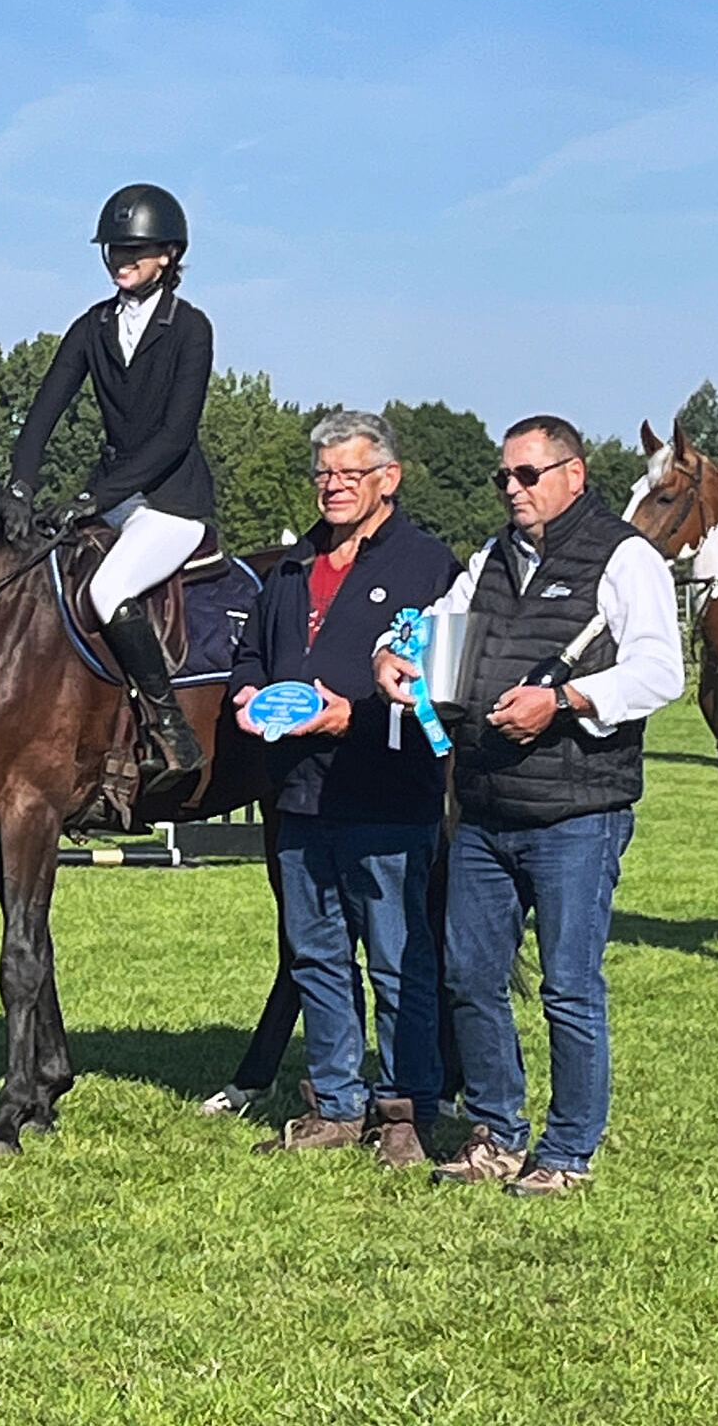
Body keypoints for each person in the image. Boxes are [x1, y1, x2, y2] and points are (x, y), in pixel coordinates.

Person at [375, 415, 683, 1196]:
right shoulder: (490, 558)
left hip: (578, 811)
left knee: (568, 988)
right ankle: (497, 1134)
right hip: (484, 805)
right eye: (503, 478)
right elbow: (437, 629)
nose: (512, 489)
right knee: (471, 977)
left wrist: (567, 699)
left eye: (527, 475)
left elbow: (660, 671)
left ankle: (569, 1151)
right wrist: (395, 655)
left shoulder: (625, 557)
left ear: (574, 475)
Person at [229, 411, 459, 1167]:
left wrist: (348, 717)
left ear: (388, 479)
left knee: (398, 960)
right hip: (299, 794)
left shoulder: (429, 567)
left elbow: (440, 685)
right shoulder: (292, 567)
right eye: (323, 474)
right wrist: (248, 693)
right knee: (316, 956)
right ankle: (334, 1104)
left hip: (386, 791)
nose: (332, 487)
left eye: (348, 474)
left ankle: (407, 1109)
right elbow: (251, 654)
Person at [2, 183, 216, 790]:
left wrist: (93, 499)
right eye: (115, 249)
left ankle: (171, 731)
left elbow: (174, 436)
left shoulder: (190, 328)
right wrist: (20, 485)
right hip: (117, 496)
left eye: (135, 250)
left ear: (168, 256)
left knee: (107, 587)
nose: (122, 259)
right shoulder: (93, 326)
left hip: (173, 503)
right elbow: (43, 413)